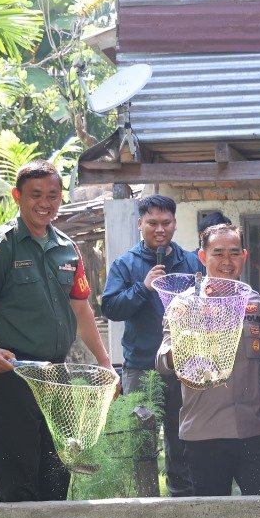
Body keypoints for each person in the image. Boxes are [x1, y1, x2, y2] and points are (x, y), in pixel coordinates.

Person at [0, 160, 113, 503]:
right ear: (17, 196)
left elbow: (82, 309)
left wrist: (105, 361)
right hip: (12, 377)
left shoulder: (67, 247)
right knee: (19, 484)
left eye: (53, 195)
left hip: (56, 379)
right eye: (36, 195)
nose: (45, 202)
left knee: (57, 477)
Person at [157, 224, 260, 496]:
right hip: (203, 434)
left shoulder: (253, 302)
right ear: (202, 257)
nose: (226, 262)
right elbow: (162, 360)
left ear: (244, 256)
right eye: (217, 253)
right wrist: (184, 346)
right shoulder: (183, 305)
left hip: (252, 431)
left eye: (234, 253)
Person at [100, 194, 202, 497]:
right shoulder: (126, 264)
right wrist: (142, 288)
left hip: (182, 367)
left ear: (174, 223)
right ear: (140, 224)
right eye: (152, 223)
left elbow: (204, 304)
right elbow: (111, 308)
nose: (160, 229)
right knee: (141, 439)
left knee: (181, 438)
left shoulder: (191, 261)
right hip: (141, 368)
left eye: (166, 223)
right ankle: (145, 500)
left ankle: (181, 498)